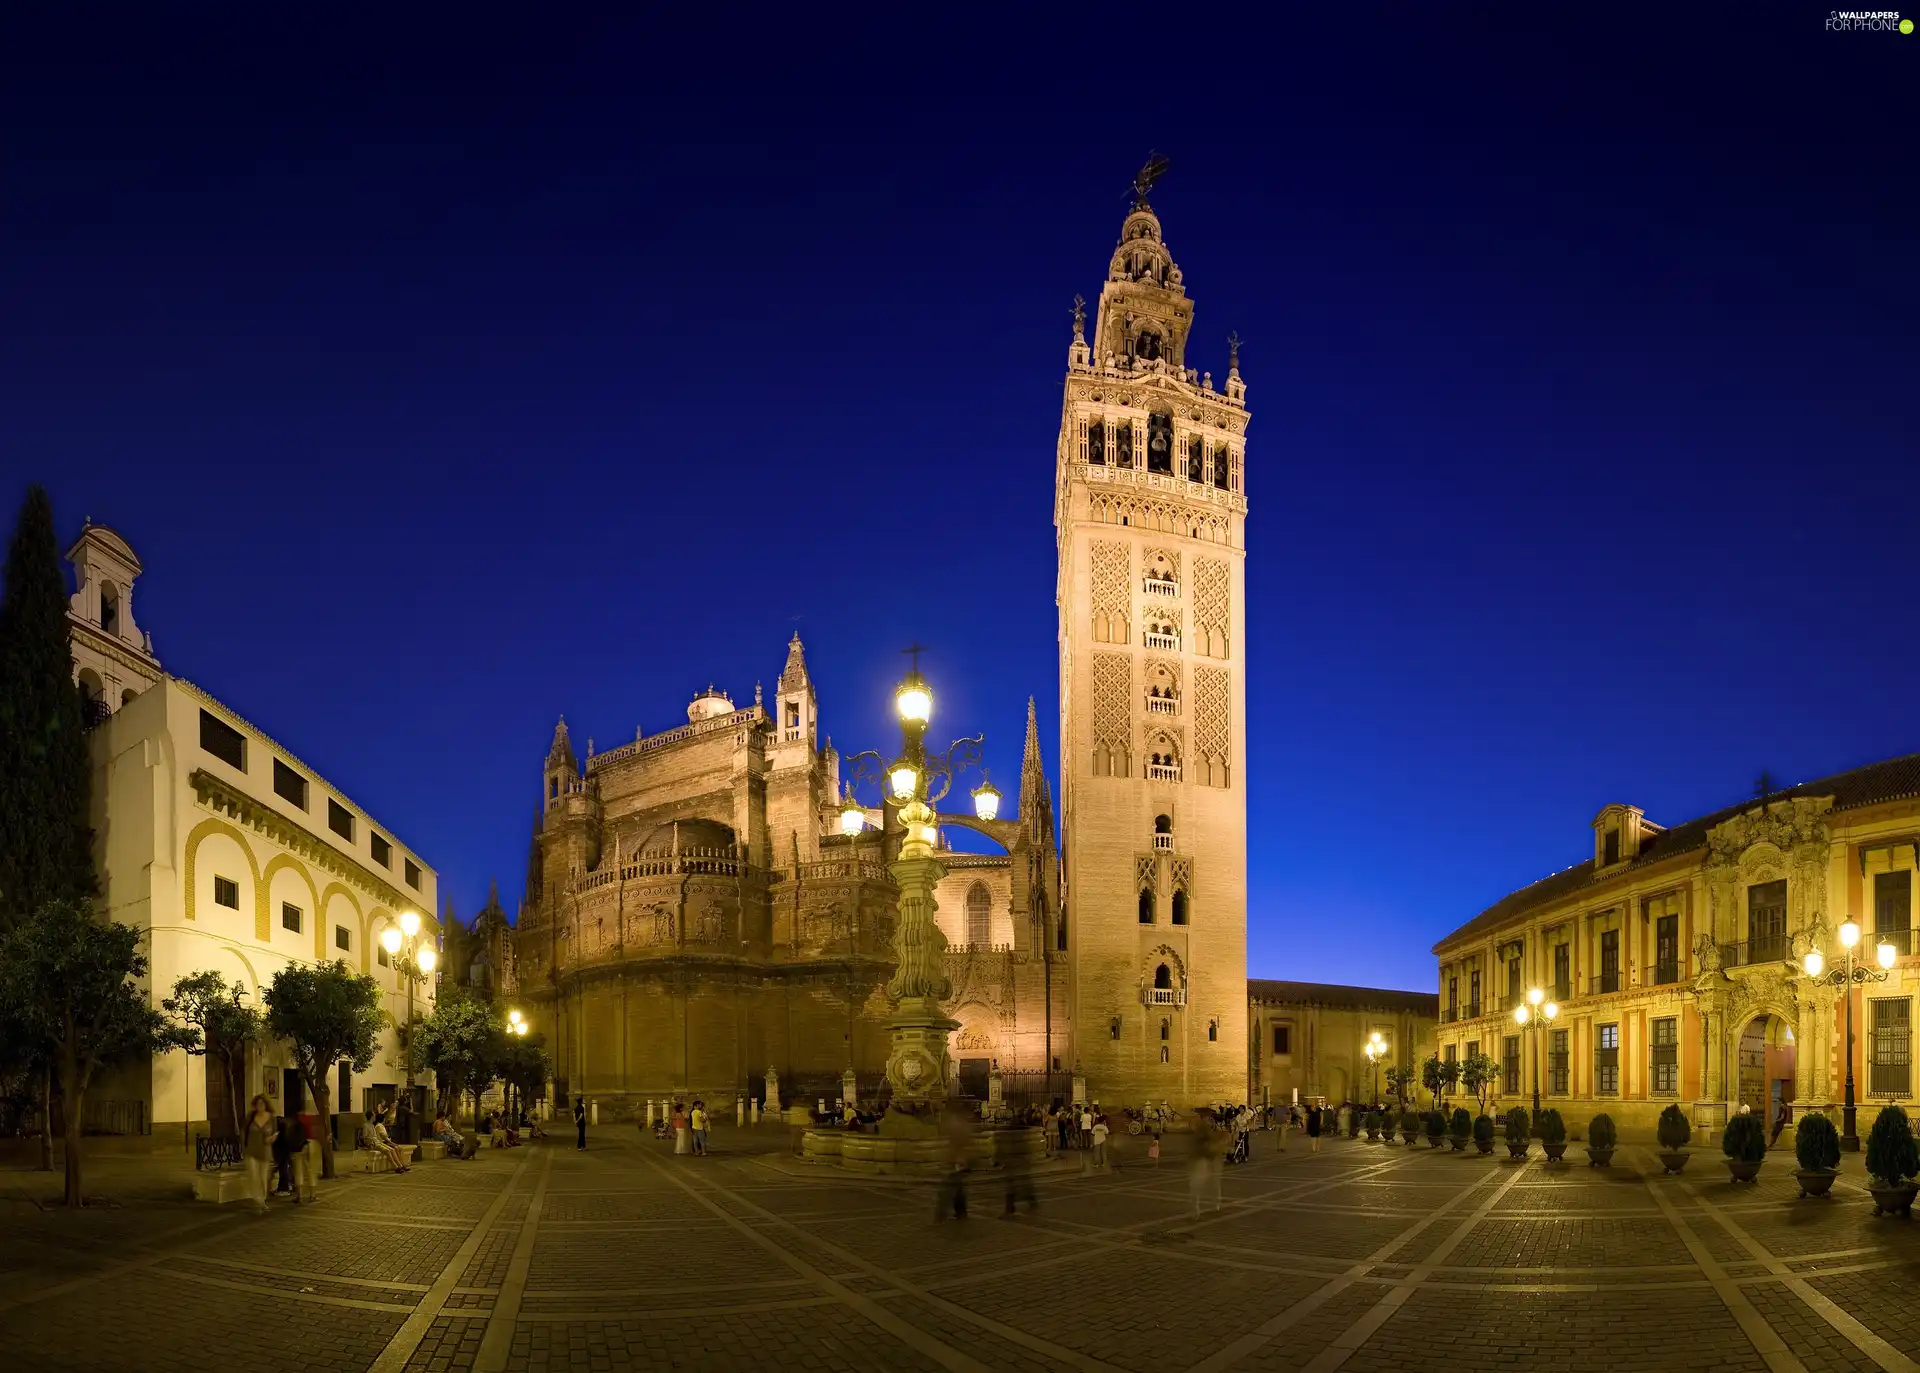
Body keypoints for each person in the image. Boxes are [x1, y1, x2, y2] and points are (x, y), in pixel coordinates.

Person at [934, 1104, 974, 1221]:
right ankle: (961, 1212)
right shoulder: (961, 1125)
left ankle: (941, 1215)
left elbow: (957, 1144)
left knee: (946, 1189)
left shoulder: (957, 1125)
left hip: (957, 1162)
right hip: (959, 1162)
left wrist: (953, 1159)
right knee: (958, 1188)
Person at [244, 1095, 276, 1214]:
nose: (260, 1106)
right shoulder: (250, 1117)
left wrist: (272, 1139)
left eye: (262, 1103)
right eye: (258, 1104)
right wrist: (244, 1147)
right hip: (251, 1151)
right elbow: (244, 1132)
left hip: (265, 1151)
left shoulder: (271, 1118)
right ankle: (259, 1202)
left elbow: (275, 1132)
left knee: (263, 1177)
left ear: (266, 1105)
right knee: (253, 1176)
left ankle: (262, 1199)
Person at [283, 1109, 316, 1203]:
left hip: (296, 1147)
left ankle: (300, 1197)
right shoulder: (310, 1117)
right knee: (311, 1171)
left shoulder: (293, 1120)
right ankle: (312, 1195)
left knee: (298, 1172)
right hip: (309, 1144)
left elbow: (288, 1135)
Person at [369, 1102, 410, 1173]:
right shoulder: (378, 1126)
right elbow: (385, 1139)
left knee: (399, 1148)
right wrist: (393, 1144)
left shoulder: (379, 1126)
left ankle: (402, 1164)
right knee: (395, 1148)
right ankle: (399, 1165)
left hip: (384, 1142)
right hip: (383, 1142)